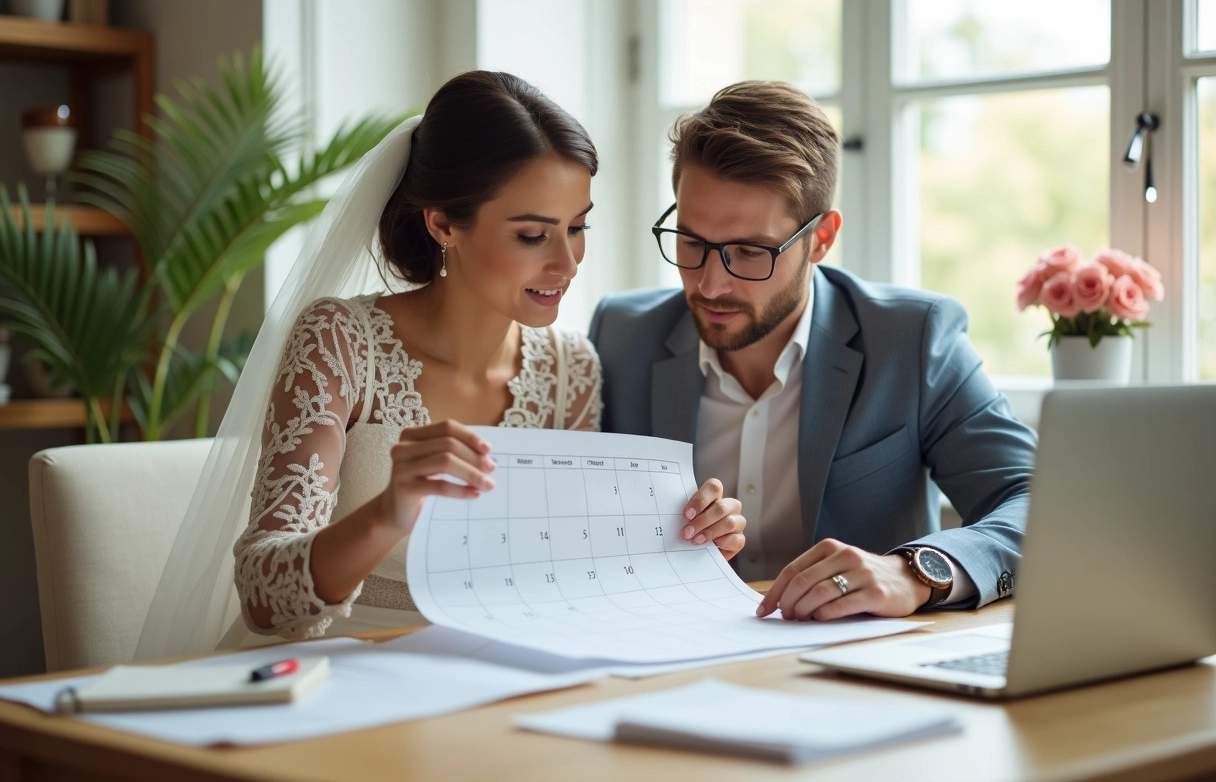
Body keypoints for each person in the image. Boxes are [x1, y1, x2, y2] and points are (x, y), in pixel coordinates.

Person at [136, 72, 745, 658]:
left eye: (578, 228)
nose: (567, 262)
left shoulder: (572, 368)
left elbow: (563, 577)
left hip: (495, 676)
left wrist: (687, 539)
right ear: (443, 224)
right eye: (533, 236)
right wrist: (388, 512)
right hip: (338, 671)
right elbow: (263, 594)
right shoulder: (340, 342)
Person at [589, 80, 1037, 623]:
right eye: (691, 242)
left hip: (854, 677)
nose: (709, 285)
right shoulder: (620, 337)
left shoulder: (913, 341)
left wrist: (916, 572)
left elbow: (1036, 500)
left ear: (820, 238)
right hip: (668, 656)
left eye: (749, 252)